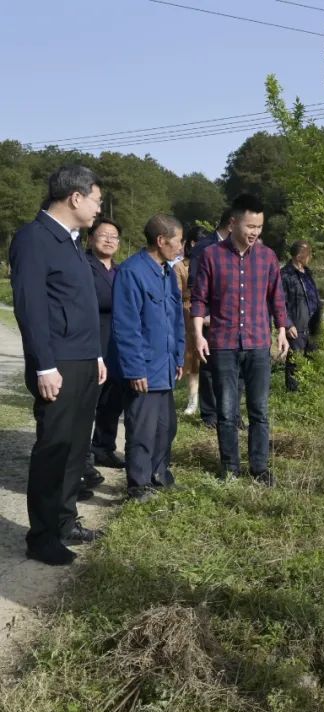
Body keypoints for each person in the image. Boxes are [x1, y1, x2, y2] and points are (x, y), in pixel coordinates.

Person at [9, 165, 107, 565]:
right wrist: (44, 365)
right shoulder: (35, 239)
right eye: (97, 201)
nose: (100, 208)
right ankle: (43, 535)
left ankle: (65, 521)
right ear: (76, 197)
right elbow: (30, 308)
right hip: (58, 363)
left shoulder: (70, 241)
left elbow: (80, 306)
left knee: (74, 448)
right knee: (53, 449)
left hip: (85, 360)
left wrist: (97, 355)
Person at [190, 195, 290, 485]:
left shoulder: (268, 256)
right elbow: (199, 300)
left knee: (259, 410)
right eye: (250, 225)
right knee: (226, 410)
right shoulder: (211, 255)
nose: (255, 232)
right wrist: (198, 335)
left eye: (259, 226)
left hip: (258, 342)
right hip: (222, 344)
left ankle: (259, 467)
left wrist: (282, 330)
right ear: (233, 223)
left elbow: (277, 297)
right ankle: (230, 467)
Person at [109, 214, 186, 503]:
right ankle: (138, 486)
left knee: (166, 427)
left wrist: (178, 355)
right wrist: (134, 369)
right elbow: (126, 326)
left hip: (165, 366)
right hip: (143, 369)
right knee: (141, 429)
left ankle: (159, 475)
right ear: (161, 240)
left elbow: (177, 319)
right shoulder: (132, 272)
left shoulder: (167, 272)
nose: (180, 247)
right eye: (177, 241)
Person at [84, 218, 126, 483]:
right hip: (93, 340)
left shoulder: (121, 271)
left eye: (114, 237)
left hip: (117, 344)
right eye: (103, 235)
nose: (109, 240)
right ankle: (83, 456)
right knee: (89, 402)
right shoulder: (83, 266)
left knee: (113, 401)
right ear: (90, 239)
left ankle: (104, 447)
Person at [188, 210, 230, 428]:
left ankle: (230, 413)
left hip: (231, 319)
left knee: (232, 369)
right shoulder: (204, 247)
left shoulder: (238, 248)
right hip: (210, 319)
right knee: (208, 367)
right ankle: (210, 415)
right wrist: (203, 315)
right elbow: (194, 285)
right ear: (233, 224)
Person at [280, 240, 323, 392]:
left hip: (312, 327)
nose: (310, 257)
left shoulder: (308, 273)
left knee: (312, 361)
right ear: (299, 256)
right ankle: (294, 396)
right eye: (308, 254)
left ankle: (309, 394)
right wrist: (287, 324)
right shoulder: (285, 275)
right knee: (295, 364)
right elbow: (280, 303)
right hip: (296, 328)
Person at [177, 226, 206, 415]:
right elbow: (177, 293)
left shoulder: (213, 262)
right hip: (189, 312)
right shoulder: (180, 266)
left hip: (211, 314)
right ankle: (193, 401)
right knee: (193, 359)